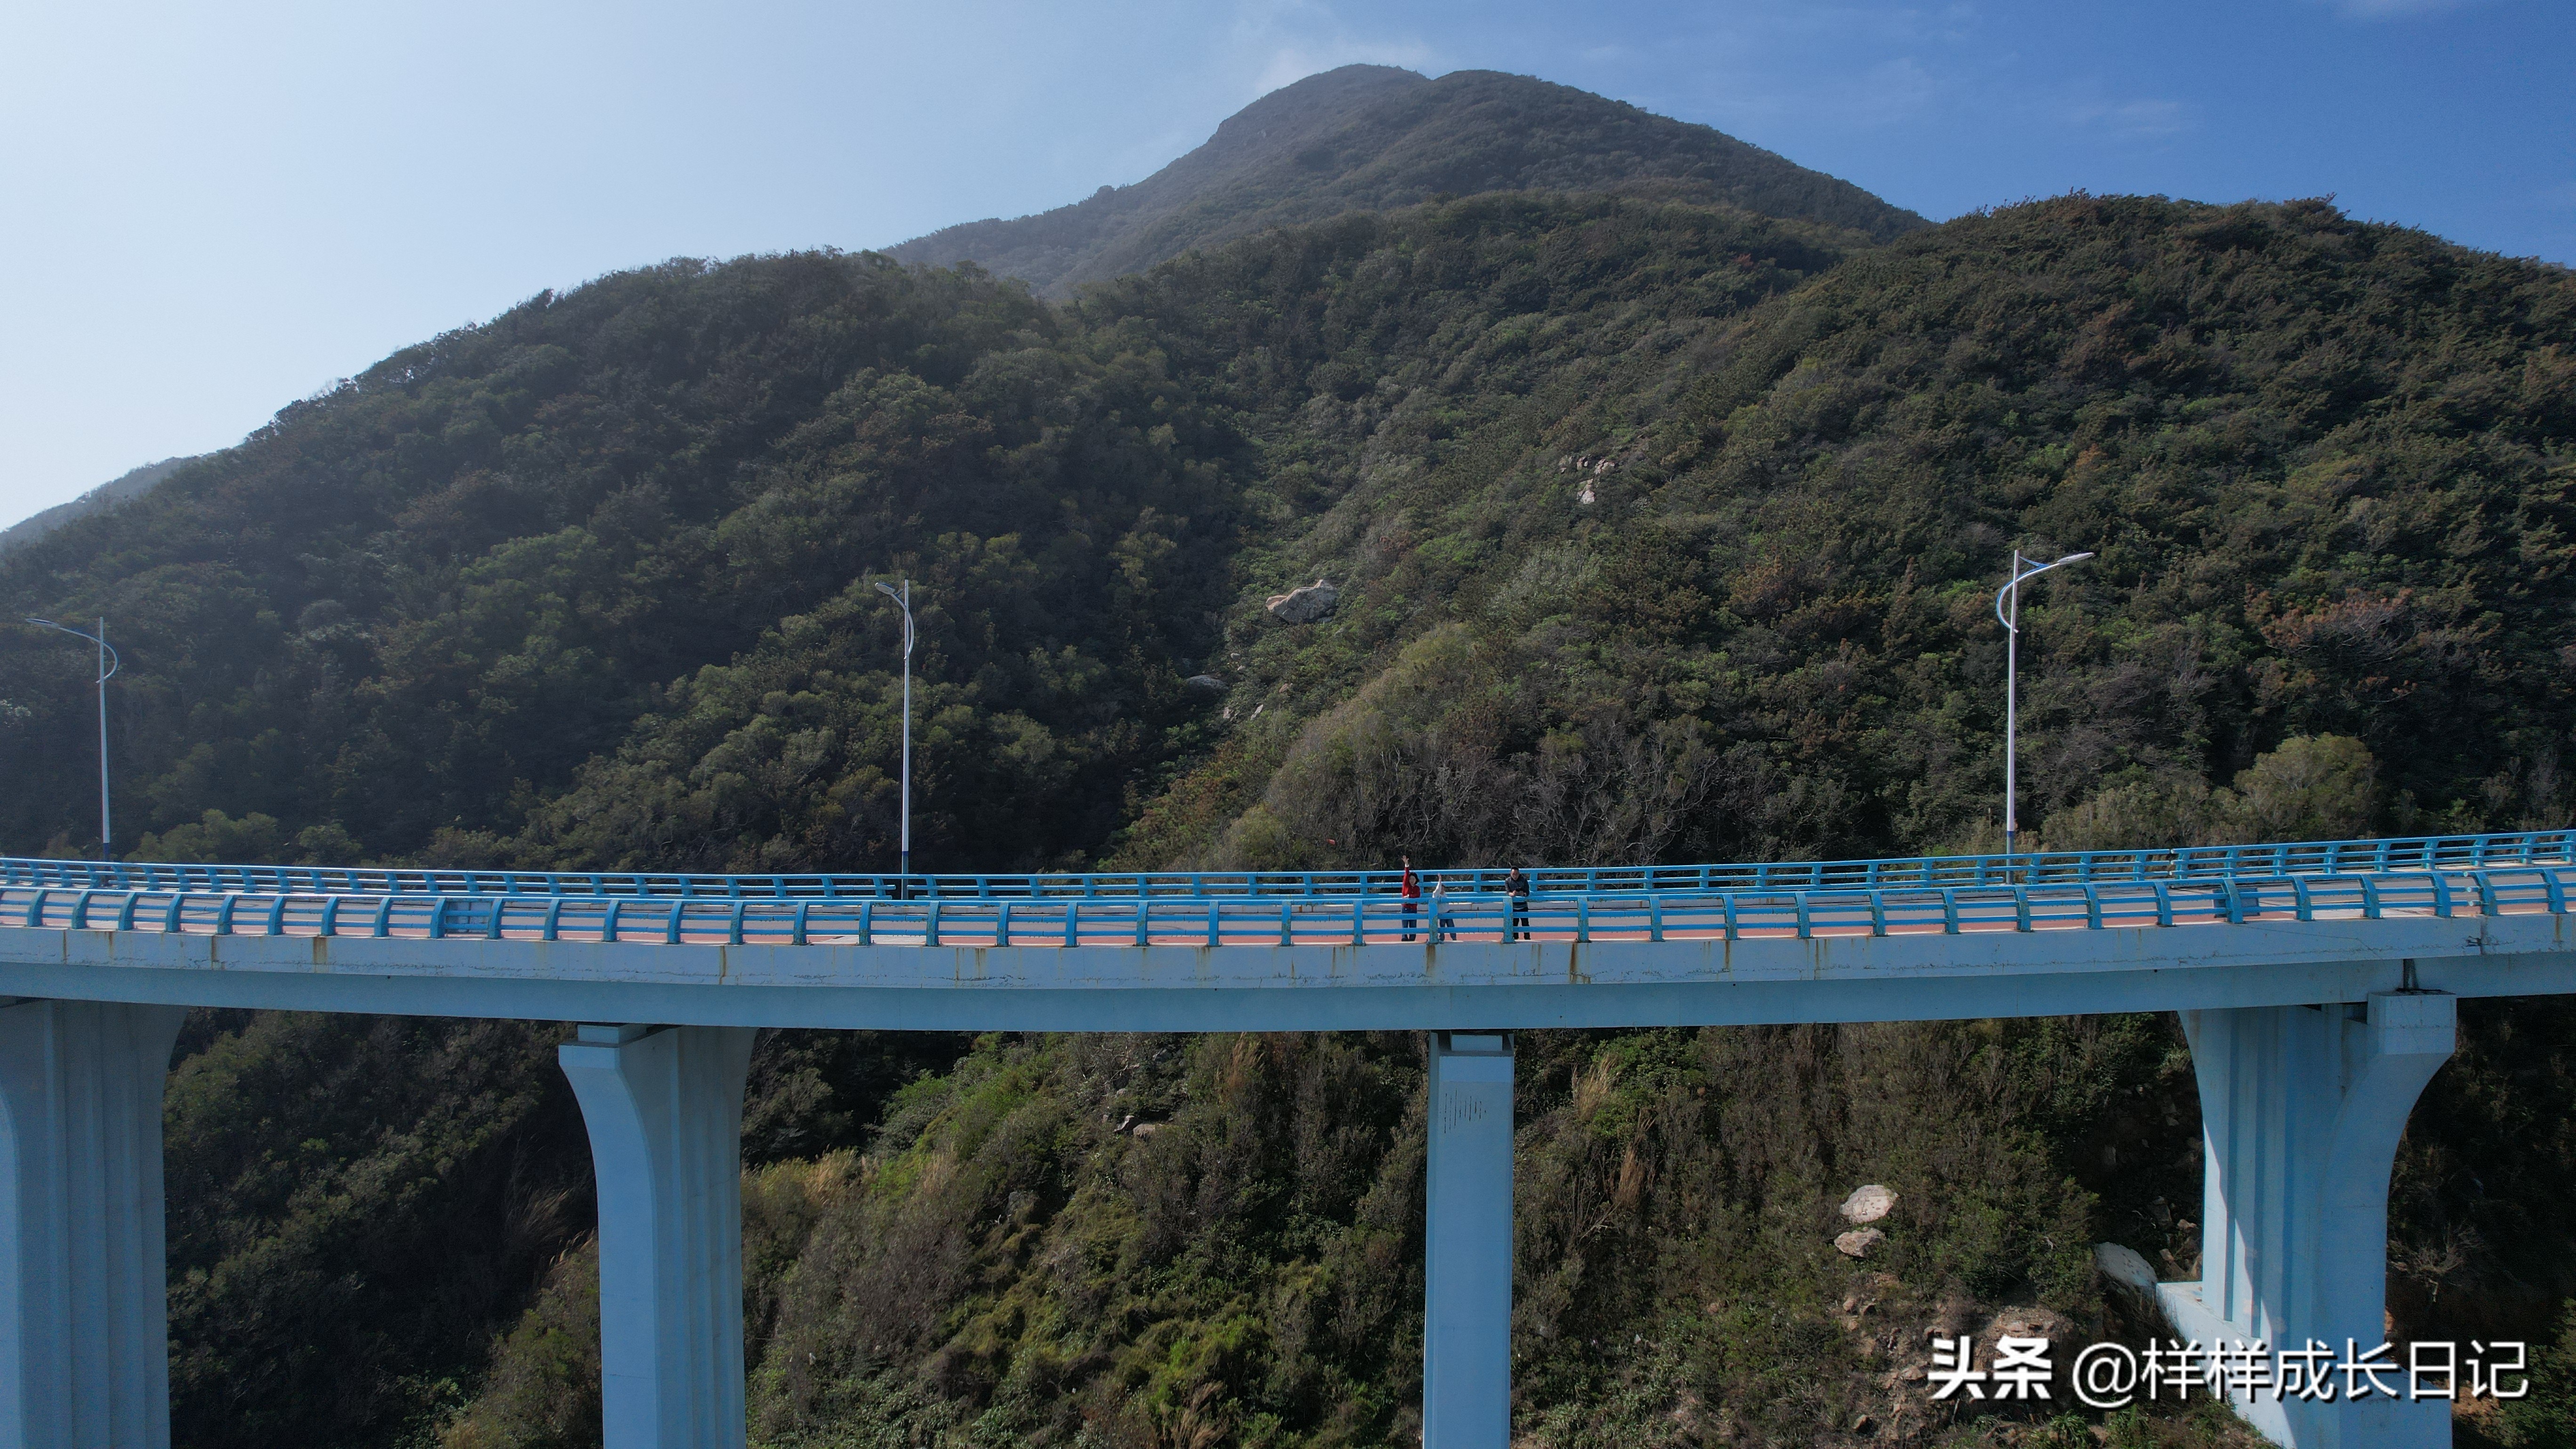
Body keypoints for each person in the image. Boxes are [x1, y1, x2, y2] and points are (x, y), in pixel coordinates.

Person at [1505, 864, 1530, 941]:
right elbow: (1508, 891)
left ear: (1519, 874)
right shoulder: (1508, 881)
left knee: (1525, 923)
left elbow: (1528, 892)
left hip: (1523, 906)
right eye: (1513, 874)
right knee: (1514, 924)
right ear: (1511, 874)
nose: (1515, 876)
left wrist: (1523, 894)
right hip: (1514, 906)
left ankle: (1527, 938)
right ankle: (1515, 938)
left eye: (1516, 874)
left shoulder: (1524, 880)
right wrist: (1512, 894)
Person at [1400, 854, 1421, 942]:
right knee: (1405, 925)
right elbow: (1406, 875)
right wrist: (1407, 865)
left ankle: (1412, 939)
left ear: (1416, 880)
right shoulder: (1406, 885)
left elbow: (1417, 896)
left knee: (1413, 926)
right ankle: (1404, 938)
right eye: (1410, 879)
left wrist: (1409, 897)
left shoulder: (1417, 888)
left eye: (1413, 879)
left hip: (1413, 909)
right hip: (1405, 908)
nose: (1412, 880)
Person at [1430, 875, 1452, 942]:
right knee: (1442, 926)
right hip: (1442, 914)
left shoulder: (1446, 895)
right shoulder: (1436, 895)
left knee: (1451, 926)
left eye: (1443, 888)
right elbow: (1437, 891)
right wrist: (1440, 881)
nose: (1442, 889)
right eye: (1441, 888)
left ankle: (1454, 938)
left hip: (1448, 912)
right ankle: (1441, 938)